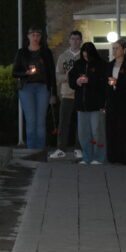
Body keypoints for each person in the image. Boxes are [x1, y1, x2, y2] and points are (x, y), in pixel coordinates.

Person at [12, 26, 56, 150]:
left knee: (41, 121)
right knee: (31, 120)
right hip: (27, 88)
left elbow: (51, 73)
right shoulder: (22, 52)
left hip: (43, 88)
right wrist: (25, 73)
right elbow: (14, 72)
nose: (35, 38)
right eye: (33, 35)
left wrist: (53, 93)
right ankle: (31, 150)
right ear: (28, 36)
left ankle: (40, 150)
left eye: (38, 35)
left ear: (41, 37)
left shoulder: (46, 52)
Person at [69, 42, 107, 164]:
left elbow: (103, 82)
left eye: (88, 53)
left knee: (97, 132)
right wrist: (77, 81)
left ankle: (99, 157)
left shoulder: (101, 64)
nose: (85, 56)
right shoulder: (78, 64)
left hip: (96, 105)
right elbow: (71, 79)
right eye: (84, 53)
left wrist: (90, 80)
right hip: (81, 105)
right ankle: (87, 157)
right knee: (83, 134)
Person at [50, 30, 82, 159]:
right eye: (73, 39)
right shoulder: (63, 56)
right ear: (69, 40)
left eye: (77, 39)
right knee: (63, 122)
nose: (75, 41)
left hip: (80, 94)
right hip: (67, 94)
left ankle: (78, 148)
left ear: (81, 41)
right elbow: (58, 74)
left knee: (80, 123)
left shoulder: (84, 56)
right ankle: (61, 149)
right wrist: (70, 78)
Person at [104, 38, 126, 164]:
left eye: (117, 48)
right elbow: (104, 84)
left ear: (124, 49)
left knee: (123, 129)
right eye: (113, 48)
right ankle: (112, 157)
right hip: (111, 101)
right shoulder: (109, 65)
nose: (114, 50)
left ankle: (123, 158)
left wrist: (118, 83)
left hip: (124, 102)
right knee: (111, 129)